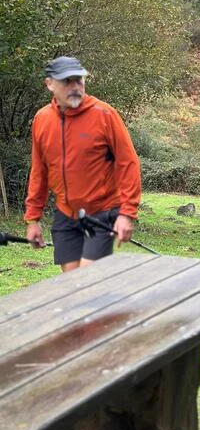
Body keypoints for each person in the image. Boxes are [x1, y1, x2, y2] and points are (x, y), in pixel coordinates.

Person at [24, 56, 142, 272]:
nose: (75, 87)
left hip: (101, 212)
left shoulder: (105, 115)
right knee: (72, 281)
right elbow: (39, 171)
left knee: (87, 278)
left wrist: (127, 213)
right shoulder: (42, 119)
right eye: (67, 81)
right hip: (66, 213)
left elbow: (128, 164)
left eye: (79, 80)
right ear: (50, 84)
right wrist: (33, 219)